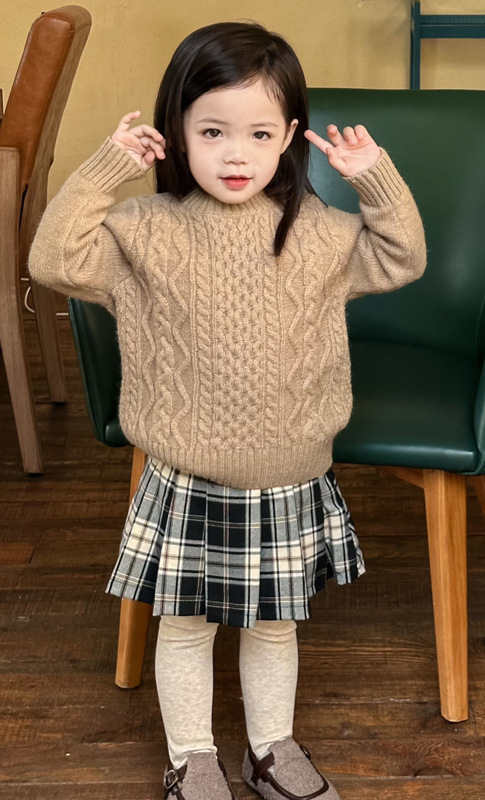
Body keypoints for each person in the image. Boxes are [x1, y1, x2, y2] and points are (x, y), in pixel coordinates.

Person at [29, 20, 426, 800]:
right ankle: (193, 758)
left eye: (258, 133)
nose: (235, 154)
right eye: (212, 131)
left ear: (289, 139)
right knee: (184, 627)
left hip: (289, 474)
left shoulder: (317, 231)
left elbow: (402, 257)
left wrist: (375, 176)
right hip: (186, 476)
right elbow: (50, 258)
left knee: (275, 626)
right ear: (176, 133)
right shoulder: (143, 233)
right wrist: (109, 168)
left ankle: (270, 748)